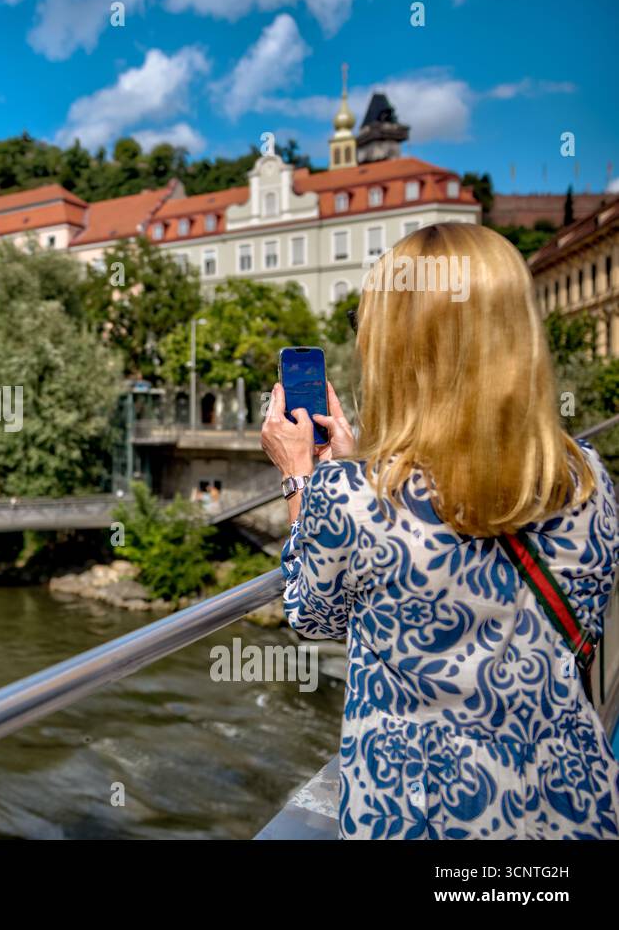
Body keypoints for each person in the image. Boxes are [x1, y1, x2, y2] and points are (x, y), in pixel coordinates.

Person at [261, 222, 619, 839]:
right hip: (568, 806)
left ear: (398, 347)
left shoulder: (355, 497)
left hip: (419, 815)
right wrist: (359, 462)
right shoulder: (587, 476)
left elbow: (314, 612)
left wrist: (303, 478)